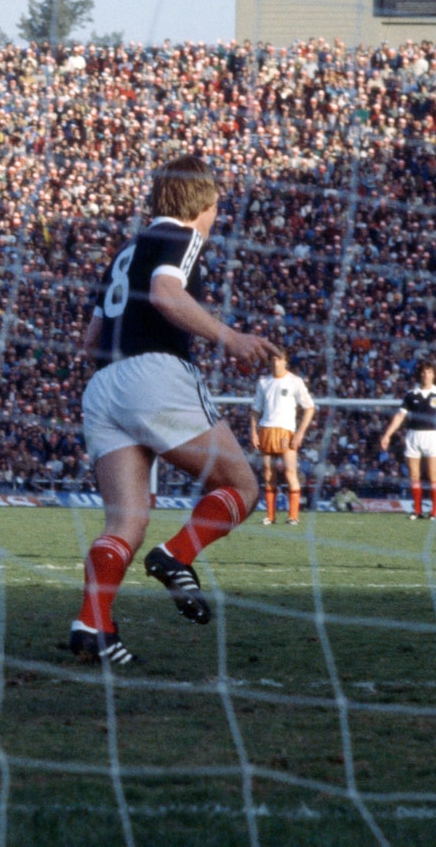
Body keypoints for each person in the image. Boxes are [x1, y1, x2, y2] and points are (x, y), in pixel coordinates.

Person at [71, 155, 279, 666]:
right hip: (154, 375)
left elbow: (90, 339)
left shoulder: (125, 252)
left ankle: (91, 625)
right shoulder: (182, 237)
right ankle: (176, 555)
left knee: (125, 522)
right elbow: (166, 293)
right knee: (242, 487)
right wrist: (229, 337)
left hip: (102, 386)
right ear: (205, 203)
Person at [378, 360, 436, 520]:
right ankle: (417, 511)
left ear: (433, 374)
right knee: (414, 475)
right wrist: (387, 434)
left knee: (433, 474)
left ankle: (435, 512)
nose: (426, 375)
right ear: (420, 374)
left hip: (432, 436)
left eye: (429, 372)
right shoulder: (411, 395)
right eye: (423, 372)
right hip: (414, 435)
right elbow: (400, 416)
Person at [251, 350, 315, 525]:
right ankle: (270, 516)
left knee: (290, 472)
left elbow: (309, 407)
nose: (275, 363)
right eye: (272, 359)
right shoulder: (263, 382)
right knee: (268, 474)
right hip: (266, 430)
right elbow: (256, 409)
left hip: (286, 432)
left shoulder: (295, 382)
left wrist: (300, 433)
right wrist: (254, 432)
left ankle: (293, 516)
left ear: (285, 361)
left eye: (279, 359)